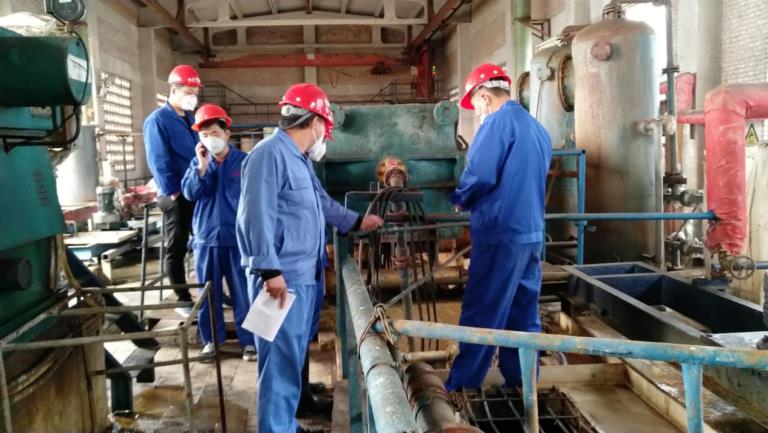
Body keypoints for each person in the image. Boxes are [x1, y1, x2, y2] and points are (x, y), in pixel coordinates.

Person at [236, 83, 383, 433]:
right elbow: (254, 215)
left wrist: (356, 221)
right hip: (280, 279)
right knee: (279, 363)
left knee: (293, 355)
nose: (325, 137)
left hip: (305, 275)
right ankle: (276, 428)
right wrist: (268, 270)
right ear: (314, 121)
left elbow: (322, 205)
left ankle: (286, 420)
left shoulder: (299, 160)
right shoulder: (268, 154)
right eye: (325, 129)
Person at [445, 63, 552, 391]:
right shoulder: (537, 128)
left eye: (475, 105)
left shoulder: (496, 124)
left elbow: (480, 173)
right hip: (531, 236)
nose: (477, 112)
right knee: (523, 316)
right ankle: (522, 387)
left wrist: (460, 197)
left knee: (482, 313)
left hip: (500, 234)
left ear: (483, 96)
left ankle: (462, 389)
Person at [181, 104, 256, 362]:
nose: (209, 139)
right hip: (206, 240)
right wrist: (202, 167)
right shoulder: (197, 163)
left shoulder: (244, 162)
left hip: (237, 240)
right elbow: (189, 193)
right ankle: (211, 341)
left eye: (214, 133)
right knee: (207, 293)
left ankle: (250, 341)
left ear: (226, 133)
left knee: (243, 292)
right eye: (204, 135)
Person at [143, 64, 202, 317]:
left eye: (195, 92)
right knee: (177, 246)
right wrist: (174, 192)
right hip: (175, 194)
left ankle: (207, 289)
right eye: (188, 91)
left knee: (203, 241)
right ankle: (183, 298)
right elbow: (158, 159)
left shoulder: (191, 119)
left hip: (195, 190)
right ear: (174, 90)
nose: (193, 96)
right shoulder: (157, 120)